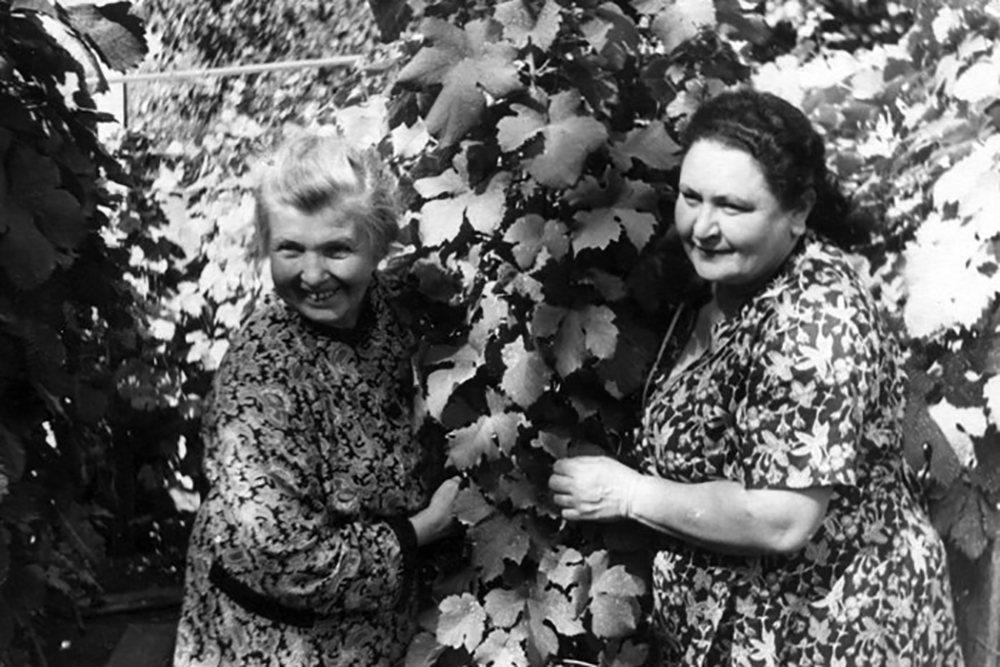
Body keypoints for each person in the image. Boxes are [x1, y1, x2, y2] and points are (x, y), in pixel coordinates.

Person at [548, 89, 964, 665]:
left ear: (798, 212)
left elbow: (781, 518)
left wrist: (629, 493)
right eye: (691, 197)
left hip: (832, 632)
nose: (702, 226)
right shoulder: (719, 277)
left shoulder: (816, 325)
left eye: (733, 207)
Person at [174, 131, 459, 667]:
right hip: (274, 645)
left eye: (336, 249)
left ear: (378, 247)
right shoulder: (261, 380)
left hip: (373, 637)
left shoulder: (390, 307)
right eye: (290, 249)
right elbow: (285, 561)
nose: (312, 275)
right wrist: (424, 530)